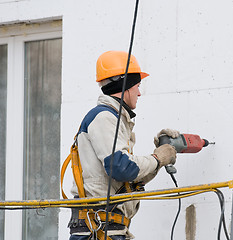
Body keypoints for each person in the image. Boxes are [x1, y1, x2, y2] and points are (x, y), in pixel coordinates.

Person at [68, 51, 178, 240]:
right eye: (137, 85)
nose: (139, 92)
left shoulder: (112, 119)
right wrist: (157, 158)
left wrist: (158, 160)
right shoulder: (104, 117)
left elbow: (129, 181)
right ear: (124, 85)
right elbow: (120, 167)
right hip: (98, 230)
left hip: (105, 229)